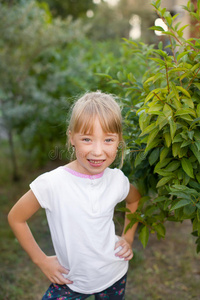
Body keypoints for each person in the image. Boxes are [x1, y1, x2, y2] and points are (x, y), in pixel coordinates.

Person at [8, 91, 141, 299]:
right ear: (72, 137)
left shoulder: (117, 179)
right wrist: (41, 260)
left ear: (119, 141)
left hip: (114, 274)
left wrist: (128, 237)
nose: (98, 151)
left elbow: (134, 198)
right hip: (69, 280)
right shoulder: (52, 183)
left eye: (108, 140)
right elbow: (16, 218)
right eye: (87, 139)